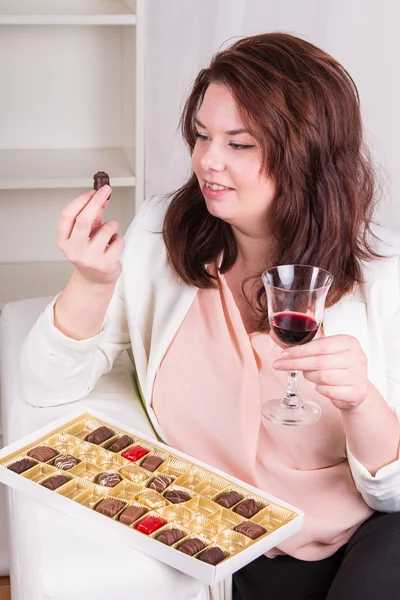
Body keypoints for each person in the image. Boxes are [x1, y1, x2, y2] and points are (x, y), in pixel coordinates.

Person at [20, 32, 400, 600]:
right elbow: (45, 383)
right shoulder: (158, 239)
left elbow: (392, 494)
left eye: (239, 143)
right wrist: (93, 281)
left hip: (371, 535)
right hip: (236, 546)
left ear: (307, 153)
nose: (207, 160)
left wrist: (361, 401)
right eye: (201, 135)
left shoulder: (382, 278)